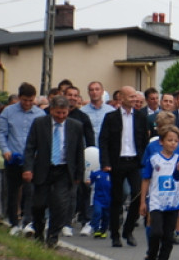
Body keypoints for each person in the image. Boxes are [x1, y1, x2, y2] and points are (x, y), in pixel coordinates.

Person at [22, 95, 86, 248]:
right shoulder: (39, 124)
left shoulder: (75, 126)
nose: (61, 117)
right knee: (38, 204)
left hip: (64, 171)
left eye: (64, 113)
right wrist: (28, 168)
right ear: (51, 110)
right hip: (44, 169)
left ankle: (53, 236)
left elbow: (79, 152)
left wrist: (79, 174)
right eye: (58, 113)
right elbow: (30, 148)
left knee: (60, 204)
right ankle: (38, 231)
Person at [98, 86, 151, 249]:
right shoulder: (111, 117)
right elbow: (104, 141)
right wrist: (105, 163)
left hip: (135, 161)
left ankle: (128, 231)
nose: (134, 99)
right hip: (117, 162)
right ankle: (115, 234)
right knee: (117, 198)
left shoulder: (141, 117)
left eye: (135, 96)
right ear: (121, 97)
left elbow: (144, 140)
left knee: (137, 194)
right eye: (131, 96)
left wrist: (145, 160)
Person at [0, 82, 46, 236]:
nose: (28, 104)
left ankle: (28, 222)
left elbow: (44, 138)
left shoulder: (40, 114)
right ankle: (14, 222)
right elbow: (1, 133)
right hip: (14, 157)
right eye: (25, 100)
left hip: (32, 159)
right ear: (19, 98)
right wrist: (5, 150)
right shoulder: (8, 112)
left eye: (31, 101)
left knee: (30, 191)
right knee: (12, 191)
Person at [139, 125, 179, 260]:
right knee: (156, 231)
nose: (173, 143)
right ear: (161, 142)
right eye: (169, 140)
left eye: (175, 141)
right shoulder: (154, 159)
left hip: (173, 202)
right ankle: (151, 257)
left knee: (168, 236)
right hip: (157, 201)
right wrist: (143, 202)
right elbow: (146, 180)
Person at [65, 85, 96, 236]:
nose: (72, 98)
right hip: (60, 159)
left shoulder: (83, 117)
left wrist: (90, 160)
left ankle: (86, 221)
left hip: (79, 160)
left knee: (84, 191)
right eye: (69, 95)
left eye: (75, 95)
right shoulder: (53, 114)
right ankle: (64, 220)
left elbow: (90, 141)